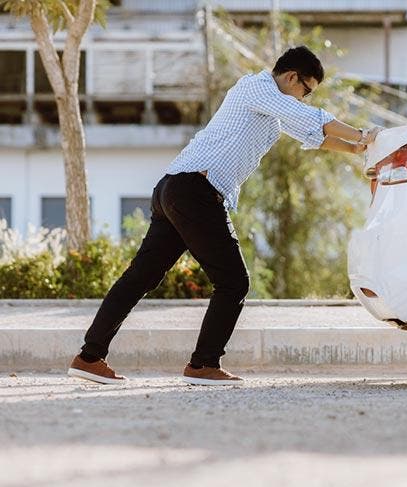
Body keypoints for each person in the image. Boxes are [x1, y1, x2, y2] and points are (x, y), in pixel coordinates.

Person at [67, 45, 382, 386]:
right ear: (292, 77)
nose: (304, 99)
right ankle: (203, 365)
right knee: (234, 282)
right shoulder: (256, 87)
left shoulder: (271, 109)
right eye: (305, 90)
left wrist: (356, 148)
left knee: (140, 278)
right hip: (194, 192)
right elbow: (312, 118)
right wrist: (363, 134)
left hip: (177, 189)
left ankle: (89, 357)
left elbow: (311, 135)